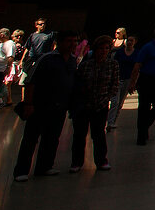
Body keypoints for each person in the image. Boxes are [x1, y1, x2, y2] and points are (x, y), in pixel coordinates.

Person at [13, 30, 78, 181]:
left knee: (52, 138)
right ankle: (21, 170)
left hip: (59, 107)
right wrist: (28, 104)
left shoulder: (72, 60)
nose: (73, 44)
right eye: (69, 41)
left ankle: (44, 166)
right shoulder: (47, 59)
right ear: (59, 42)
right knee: (31, 139)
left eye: (75, 41)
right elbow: (31, 82)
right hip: (40, 105)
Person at [70, 35, 119, 172]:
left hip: (101, 105)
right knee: (79, 134)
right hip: (84, 105)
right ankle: (76, 162)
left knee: (98, 135)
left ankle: (101, 161)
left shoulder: (112, 65)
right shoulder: (86, 65)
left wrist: (106, 98)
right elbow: (78, 83)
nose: (103, 51)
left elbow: (114, 85)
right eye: (101, 48)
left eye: (106, 48)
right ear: (95, 49)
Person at [107, 34, 138, 131]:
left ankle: (113, 120)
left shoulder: (136, 53)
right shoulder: (120, 52)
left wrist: (133, 82)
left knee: (120, 102)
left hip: (128, 79)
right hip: (118, 79)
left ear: (135, 42)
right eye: (128, 40)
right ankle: (110, 122)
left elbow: (136, 68)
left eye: (131, 41)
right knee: (115, 101)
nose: (129, 42)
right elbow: (113, 64)